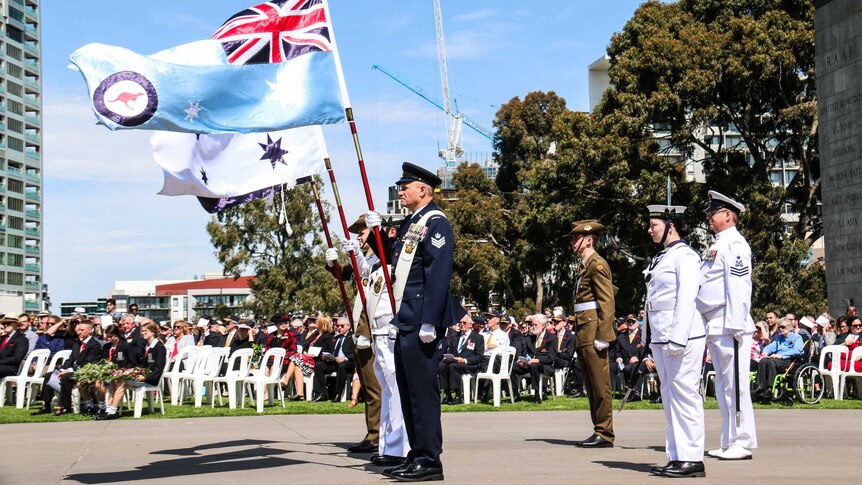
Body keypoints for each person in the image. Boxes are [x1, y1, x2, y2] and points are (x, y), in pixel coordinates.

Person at [365, 162, 462, 482]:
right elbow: (395, 258)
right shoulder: (413, 222)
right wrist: (378, 233)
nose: (401, 191)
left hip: (422, 319)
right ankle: (415, 453)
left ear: (424, 190)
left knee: (422, 392)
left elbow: (438, 275)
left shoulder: (436, 222)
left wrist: (430, 322)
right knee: (407, 391)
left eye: (405, 186)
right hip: (406, 317)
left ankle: (430, 458)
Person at [643, 203, 706, 478]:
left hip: (682, 337)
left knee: (685, 396)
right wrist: (649, 338)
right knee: (669, 398)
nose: (649, 230)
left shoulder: (686, 257)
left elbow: (686, 300)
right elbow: (651, 302)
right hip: (661, 337)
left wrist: (677, 339)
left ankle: (693, 458)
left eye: (654, 225)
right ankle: (678, 456)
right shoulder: (662, 257)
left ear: (671, 225)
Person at [338, 213, 406, 464]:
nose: (360, 236)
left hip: (381, 329)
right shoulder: (372, 261)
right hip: (368, 329)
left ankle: (386, 439)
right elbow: (357, 274)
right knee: (376, 387)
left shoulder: (387, 259)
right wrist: (348, 257)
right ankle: (382, 440)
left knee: (386, 388)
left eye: (363, 233)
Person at [696, 190, 757, 461]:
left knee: (737, 385)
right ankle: (729, 439)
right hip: (716, 322)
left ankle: (742, 441)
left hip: (729, 323)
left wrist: (735, 323)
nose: (709, 217)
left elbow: (739, 286)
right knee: (723, 386)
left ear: (728, 215)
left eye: (713, 213)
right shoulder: (719, 244)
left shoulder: (735, 245)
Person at [569, 219, 616, 448]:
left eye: (576, 238)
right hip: (584, 330)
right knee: (591, 384)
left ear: (588, 240)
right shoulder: (584, 265)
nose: (573, 242)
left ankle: (605, 433)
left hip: (594, 331)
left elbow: (607, 302)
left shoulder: (597, 264)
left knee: (600, 385)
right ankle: (599, 429)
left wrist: (604, 336)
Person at [97, 321, 166, 420]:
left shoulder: (159, 347)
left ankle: (112, 410)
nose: (143, 333)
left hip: (150, 379)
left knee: (122, 381)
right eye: (142, 331)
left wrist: (145, 378)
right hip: (141, 375)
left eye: (145, 331)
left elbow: (159, 369)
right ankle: (108, 409)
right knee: (114, 379)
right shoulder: (146, 346)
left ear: (153, 332)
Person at [34, 319, 102, 416]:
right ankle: (46, 405)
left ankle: (65, 406)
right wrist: (62, 369)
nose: (79, 332)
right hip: (74, 370)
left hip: (85, 371)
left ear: (90, 331)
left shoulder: (94, 345)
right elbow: (70, 360)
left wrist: (69, 370)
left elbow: (88, 363)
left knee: (66, 377)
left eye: (82, 330)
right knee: (49, 375)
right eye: (78, 330)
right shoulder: (77, 344)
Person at [284, 314, 333, 401]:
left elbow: (325, 351)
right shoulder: (315, 335)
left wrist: (312, 354)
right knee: (297, 366)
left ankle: (285, 381)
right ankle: (300, 394)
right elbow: (306, 346)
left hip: (316, 361)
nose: (316, 323)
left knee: (295, 357)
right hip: (308, 360)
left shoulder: (327, 336)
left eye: (317, 321)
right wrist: (306, 352)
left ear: (322, 323)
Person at [752, 320, 803, 402]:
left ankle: (769, 388)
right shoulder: (779, 337)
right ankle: (760, 386)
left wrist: (781, 355)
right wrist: (765, 351)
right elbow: (772, 346)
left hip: (790, 360)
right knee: (763, 360)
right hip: (778, 359)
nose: (781, 329)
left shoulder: (797, 337)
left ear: (790, 328)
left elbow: (797, 350)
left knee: (771, 362)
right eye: (780, 327)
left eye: (783, 327)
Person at [510, 314, 557, 403]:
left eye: (536, 325)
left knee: (534, 366)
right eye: (532, 325)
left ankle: (536, 393)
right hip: (529, 363)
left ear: (543, 325)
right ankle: (515, 393)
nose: (533, 327)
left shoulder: (552, 338)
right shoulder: (529, 338)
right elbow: (525, 352)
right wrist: (523, 360)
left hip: (544, 365)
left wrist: (537, 360)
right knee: (512, 366)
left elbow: (551, 356)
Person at [439, 314, 484, 404]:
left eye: (464, 322)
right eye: (460, 323)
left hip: (470, 364)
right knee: (441, 366)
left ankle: (458, 395)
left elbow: (479, 356)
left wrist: (464, 360)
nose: (461, 324)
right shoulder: (455, 336)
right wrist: (448, 357)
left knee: (453, 366)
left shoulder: (478, 337)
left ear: (470, 324)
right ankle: (448, 395)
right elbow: (451, 352)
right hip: (455, 362)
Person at [311, 316, 355, 402]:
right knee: (319, 365)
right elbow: (325, 349)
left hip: (347, 362)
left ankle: (338, 394)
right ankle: (321, 393)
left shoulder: (352, 337)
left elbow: (356, 352)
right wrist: (325, 356)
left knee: (342, 366)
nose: (339, 328)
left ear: (348, 326)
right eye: (338, 326)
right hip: (334, 361)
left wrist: (345, 358)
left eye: (342, 326)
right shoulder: (333, 337)